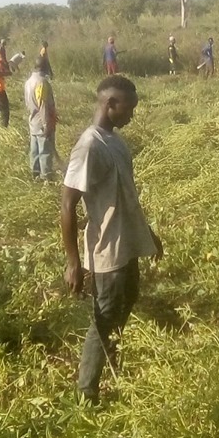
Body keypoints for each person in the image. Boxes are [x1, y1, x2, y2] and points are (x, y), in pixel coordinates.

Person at [61, 75, 163, 404]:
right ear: (110, 105)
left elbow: (127, 195)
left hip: (127, 244)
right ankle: (86, 393)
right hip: (107, 249)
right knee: (104, 319)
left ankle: (111, 361)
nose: (132, 114)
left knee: (126, 302)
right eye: (128, 108)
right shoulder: (89, 146)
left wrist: (149, 233)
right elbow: (67, 204)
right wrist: (74, 263)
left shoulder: (115, 141)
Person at [24, 57, 57, 181]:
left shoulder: (28, 82)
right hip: (41, 122)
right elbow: (42, 105)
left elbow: (28, 103)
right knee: (45, 151)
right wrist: (46, 124)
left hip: (33, 121)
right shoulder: (41, 83)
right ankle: (46, 177)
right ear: (45, 67)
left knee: (34, 150)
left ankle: (35, 174)